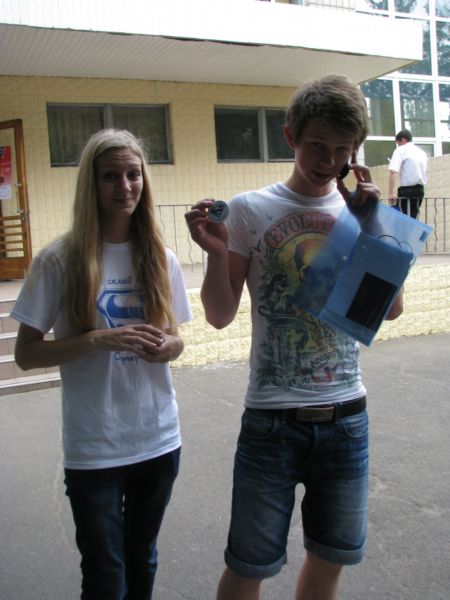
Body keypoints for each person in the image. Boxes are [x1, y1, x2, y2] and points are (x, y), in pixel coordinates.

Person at [185, 74, 404, 600]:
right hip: (272, 419)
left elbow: (391, 310)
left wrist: (373, 226)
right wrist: (216, 254)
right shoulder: (249, 209)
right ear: (291, 136)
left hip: (346, 416)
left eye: (341, 149)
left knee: (329, 560)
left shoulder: (363, 214)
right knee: (249, 565)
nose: (328, 160)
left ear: (355, 152)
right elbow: (218, 315)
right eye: (316, 145)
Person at [11, 129, 192, 600]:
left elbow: (177, 338)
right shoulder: (59, 260)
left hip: (158, 439)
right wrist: (96, 340)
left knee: (142, 558)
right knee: (105, 576)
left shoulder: (161, 256)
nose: (124, 187)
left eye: (133, 175)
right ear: (91, 183)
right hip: (95, 446)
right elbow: (25, 354)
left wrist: (169, 347)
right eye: (111, 176)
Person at [388, 128, 428, 219]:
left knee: (402, 218)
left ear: (403, 139)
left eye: (398, 143)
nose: (398, 146)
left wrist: (391, 194)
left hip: (406, 190)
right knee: (413, 218)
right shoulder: (422, 153)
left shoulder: (400, 150)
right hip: (420, 190)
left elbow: (393, 172)